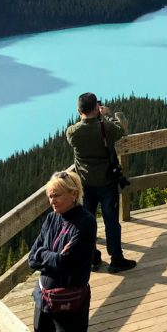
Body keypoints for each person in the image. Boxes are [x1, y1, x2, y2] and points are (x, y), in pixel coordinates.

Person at [66, 91, 136, 274]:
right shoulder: (105, 128)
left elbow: (82, 129)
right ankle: (116, 259)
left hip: (86, 185)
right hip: (106, 183)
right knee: (111, 221)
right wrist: (106, 115)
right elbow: (122, 129)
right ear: (96, 108)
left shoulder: (72, 133)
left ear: (79, 110)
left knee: (87, 222)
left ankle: (92, 258)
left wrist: (93, 116)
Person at [29, 170, 96, 332]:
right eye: (50, 196)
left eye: (57, 195)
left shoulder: (85, 222)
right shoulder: (52, 218)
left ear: (74, 194)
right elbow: (32, 258)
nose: (52, 201)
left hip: (69, 302)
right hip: (43, 298)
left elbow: (65, 262)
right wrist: (53, 255)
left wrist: (46, 255)